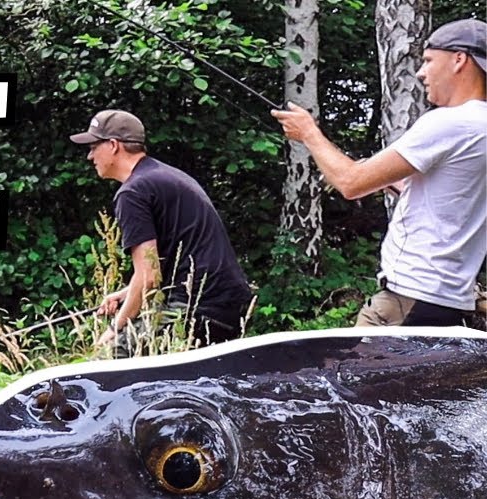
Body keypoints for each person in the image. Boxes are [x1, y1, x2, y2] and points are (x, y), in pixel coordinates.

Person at [272, 18, 487, 327]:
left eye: (428, 61)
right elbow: (457, 199)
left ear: (458, 59)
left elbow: (350, 183)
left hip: (407, 299)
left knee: (349, 376)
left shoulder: (449, 123)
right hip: (446, 300)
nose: (421, 72)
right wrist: (401, 186)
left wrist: (309, 133)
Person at [69, 109, 253, 356]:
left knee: (110, 359)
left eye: (93, 146)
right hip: (229, 302)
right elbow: (164, 265)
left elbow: (149, 277)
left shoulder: (132, 193)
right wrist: (125, 294)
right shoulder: (164, 175)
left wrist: (114, 329)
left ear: (113, 145)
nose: (90, 156)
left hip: (198, 307)